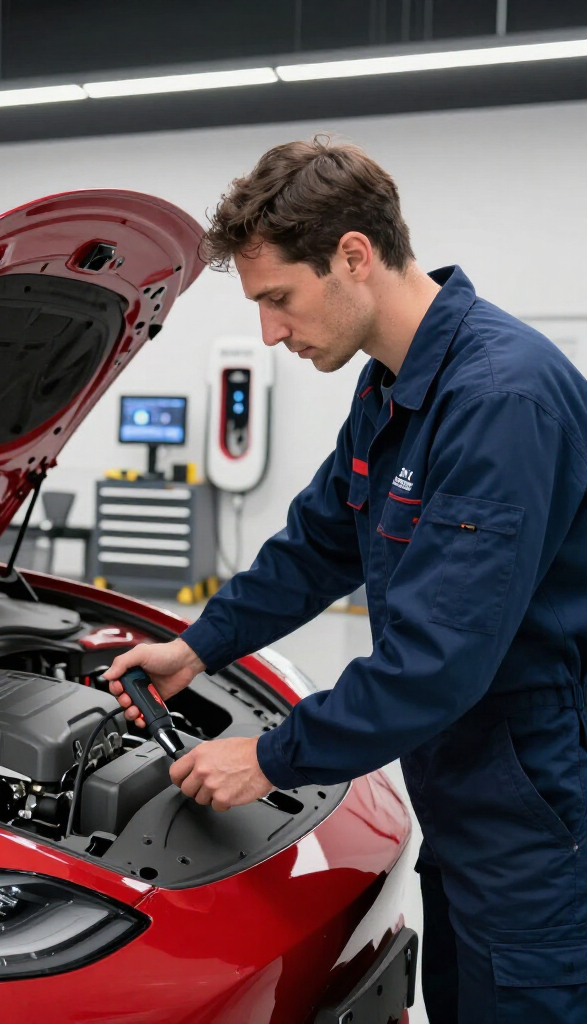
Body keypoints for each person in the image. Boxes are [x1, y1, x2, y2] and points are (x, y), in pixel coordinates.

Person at [105, 137, 587, 1023]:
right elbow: (319, 543)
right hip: (465, 787)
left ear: (354, 256)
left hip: (536, 811)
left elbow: (438, 659)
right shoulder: (393, 388)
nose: (270, 333)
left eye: (278, 299)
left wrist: (269, 757)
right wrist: (197, 647)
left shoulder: (499, 402)